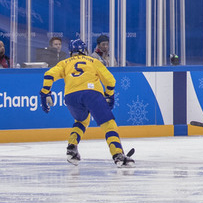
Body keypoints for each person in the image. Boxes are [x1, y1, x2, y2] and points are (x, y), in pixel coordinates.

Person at [40, 38, 134, 166]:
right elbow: (110, 80)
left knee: (81, 121)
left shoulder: (64, 63)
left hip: (71, 96)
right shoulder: (93, 61)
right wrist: (110, 96)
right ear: (84, 50)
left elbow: (49, 75)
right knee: (108, 124)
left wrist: (46, 92)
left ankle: (71, 149)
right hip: (91, 93)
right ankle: (118, 155)